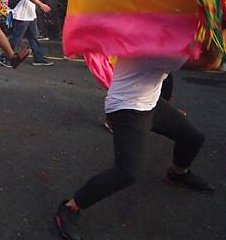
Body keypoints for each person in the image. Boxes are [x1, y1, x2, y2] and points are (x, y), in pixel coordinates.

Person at [55, 52, 220, 240]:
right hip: (128, 109)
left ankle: (177, 172)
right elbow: (211, 62)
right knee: (126, 173)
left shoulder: (152, 35)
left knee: (193, 137)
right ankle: (70, 207)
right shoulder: (152, 45)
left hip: (151, 103)